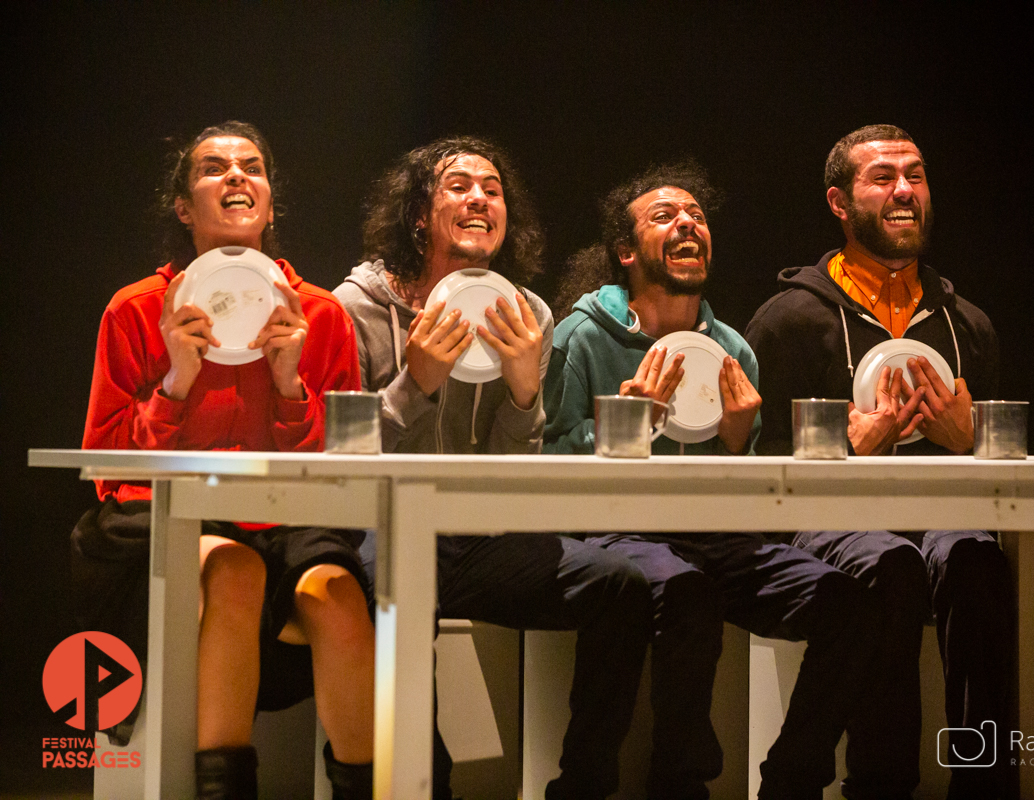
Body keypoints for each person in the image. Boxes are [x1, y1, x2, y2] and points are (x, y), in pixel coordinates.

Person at [544, 161, 880, 800]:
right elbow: (550, 453)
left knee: (848, 602)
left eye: (695, 215)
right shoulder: (582, 336)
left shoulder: (731, 347)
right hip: (615, 531)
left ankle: (789, 780)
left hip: (716, 536)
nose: (686, 224)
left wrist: (736, 441)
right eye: (664, 216)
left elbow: (745, 482)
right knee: (688, 589)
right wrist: (625, 429)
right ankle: (670, 785)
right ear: (625, 250)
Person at [333, 136, 651, 800]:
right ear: (419, 215)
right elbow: (347, 459)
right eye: (459, 186)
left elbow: (516, 467)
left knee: (620, 583)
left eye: (493, 190)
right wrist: (413, 385)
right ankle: (425, 787)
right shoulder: (357, 307)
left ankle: (582, 787)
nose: (480, 198)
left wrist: (524, 392)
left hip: (483, 539)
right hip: (386, 532)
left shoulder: (526, 313)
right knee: (394, 587)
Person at [72, 121, 374, 799]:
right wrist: (177, 380)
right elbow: (107, 466)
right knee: (232, 569)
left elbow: (341, 467)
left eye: (252, 167)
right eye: (213, 168)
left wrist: (292, 383)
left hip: (286, 521)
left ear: (268, 199)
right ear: (184, 207)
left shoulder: (320, 315)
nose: (237, 176)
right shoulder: (137, 310)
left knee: (338, 594)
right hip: (159, 524)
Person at [745, 124, 1014, 799]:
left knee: (978, 561)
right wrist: (842, 450)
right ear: (840, 203)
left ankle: (985, 784)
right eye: (884, 177)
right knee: (889, 565)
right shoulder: (787, 321)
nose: (904, 190)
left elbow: (1010, 454)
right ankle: (880, 785)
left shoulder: (967, 323)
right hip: (828, 525)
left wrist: (970, 438)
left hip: (942, 519)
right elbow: (752, 461)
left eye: (916, 175)